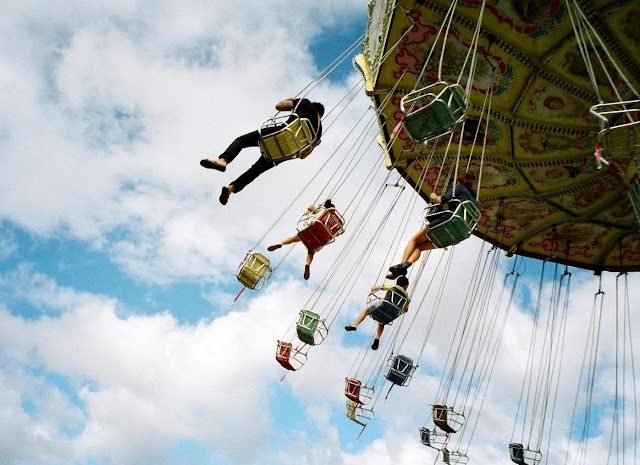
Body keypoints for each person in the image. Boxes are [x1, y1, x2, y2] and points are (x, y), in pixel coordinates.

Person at [200, 97, 324, 205]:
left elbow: (279, 106)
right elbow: (303, 156)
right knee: (255, 170)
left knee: (242, 141)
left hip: (279, 134)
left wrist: (292, 99)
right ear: (321, 116)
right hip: (284, 153)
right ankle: (230, 189)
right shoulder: (318, 134)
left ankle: (223, 161)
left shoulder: (306, 103)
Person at [386, 171, 477, 279]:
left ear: (459, 181)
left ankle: (401, 266)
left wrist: (434, 196)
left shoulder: (459, 188)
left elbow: (441, 200)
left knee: (414, 241)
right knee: (419, 248)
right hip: (459, 232)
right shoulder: (474, 201)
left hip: (449, 220)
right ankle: (405, 266)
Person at [267, 199, 336, 281]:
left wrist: (313, 208)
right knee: (311, 252)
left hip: (311, 229)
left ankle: (280, 243)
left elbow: (310, 208)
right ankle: (307, 264)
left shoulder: (323, 210)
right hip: (321, 239)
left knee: (294, 238)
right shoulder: (337, 221)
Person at [344, 276, 410, 350]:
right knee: (382, 322)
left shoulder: (392, 286)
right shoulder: (407, 297)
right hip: (393, 313)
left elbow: (373, 289)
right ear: (406, 286)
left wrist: (374, 288)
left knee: (366, 311)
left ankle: (355, 325)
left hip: (383, 306)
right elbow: (406, 310)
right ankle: (377, 338)